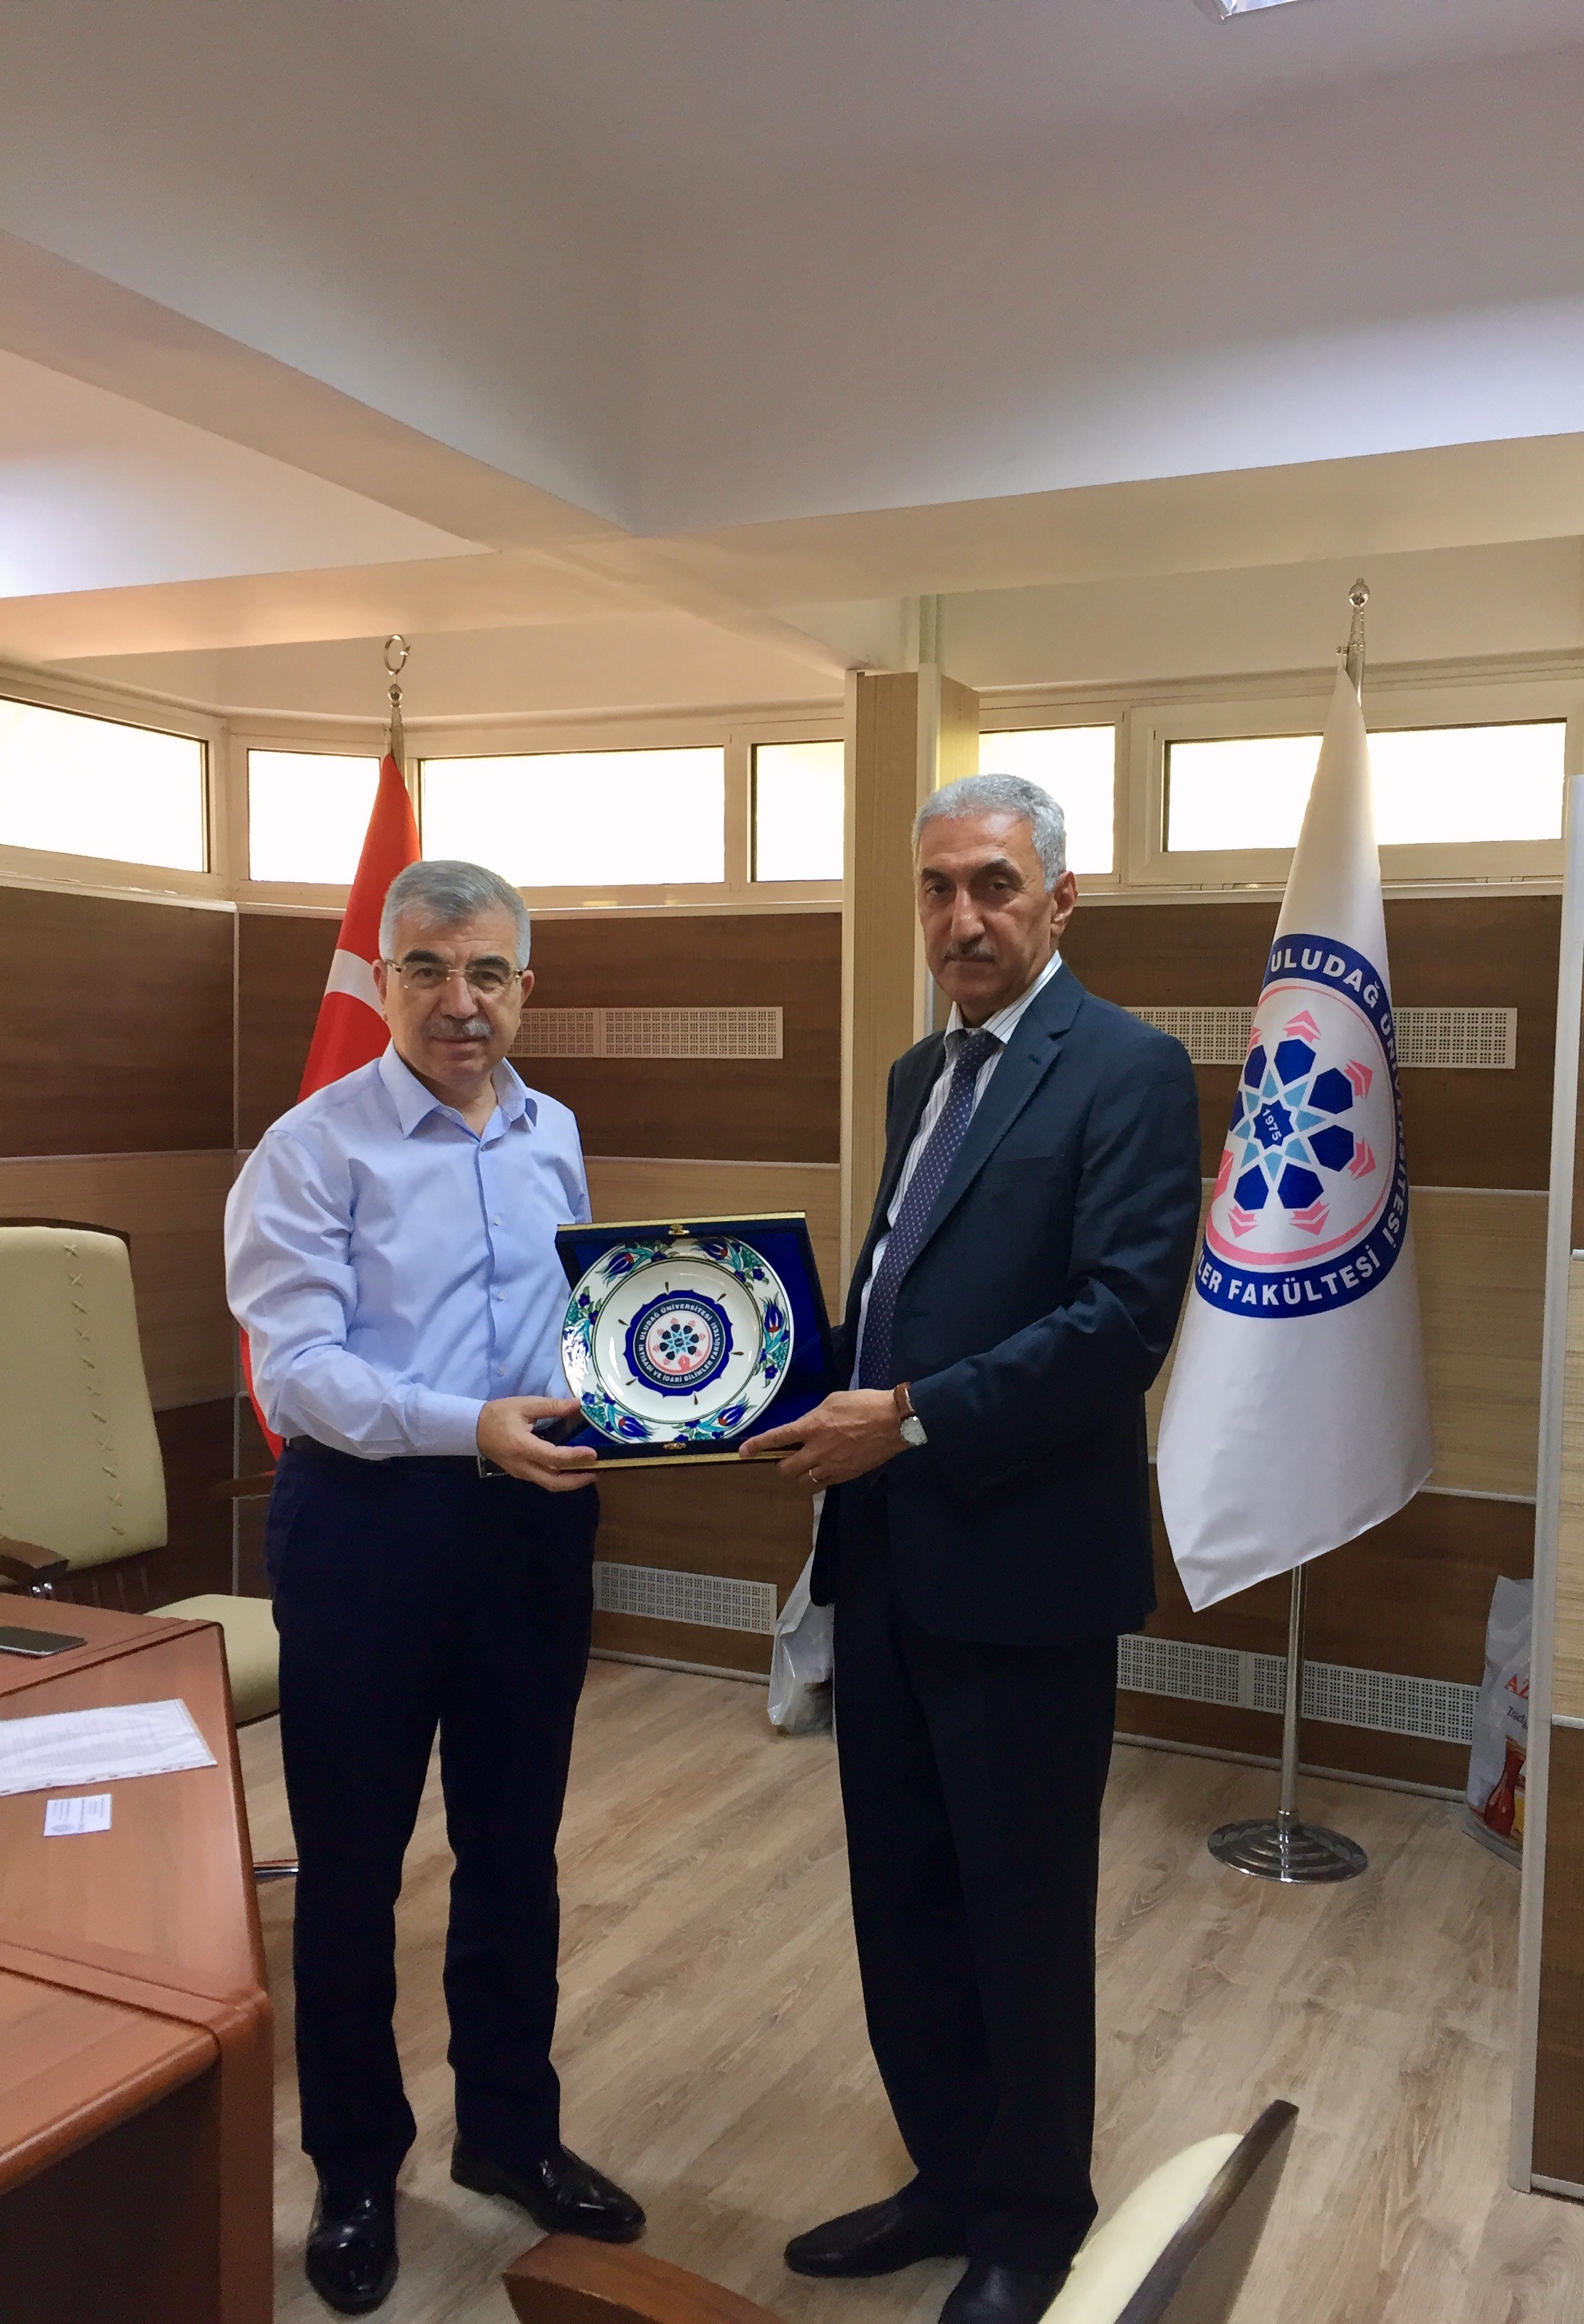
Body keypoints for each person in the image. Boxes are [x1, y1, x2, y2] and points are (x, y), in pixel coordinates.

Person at [742, 775, 1201, 2324]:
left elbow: (1119, 1321)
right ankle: (946, 2175)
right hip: (885, 1558)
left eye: (995, 885)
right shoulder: (915, 1075)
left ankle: (1032, 2220)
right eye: (938, 887)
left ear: (1061, 898)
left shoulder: (1127, 1068)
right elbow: (898, 1290)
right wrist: (768, 1389)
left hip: (1022, 1570)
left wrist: (912, 1417)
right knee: (907, 1902)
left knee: (1020, 1912)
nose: (962, 917)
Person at [226, 859, 642, 2317]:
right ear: (383, 980)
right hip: (366, 1534)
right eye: (427, 969)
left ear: (527, 986)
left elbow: (577, 1323)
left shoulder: (553, 1134)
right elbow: (299, 1375)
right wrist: (467, 1427)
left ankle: (511, 2135)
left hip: (530, 1531)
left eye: (487, 973)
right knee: (351, 1874)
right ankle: (355, 2171)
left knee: (514, 1852)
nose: (460, 1002)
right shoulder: (310, 1149)